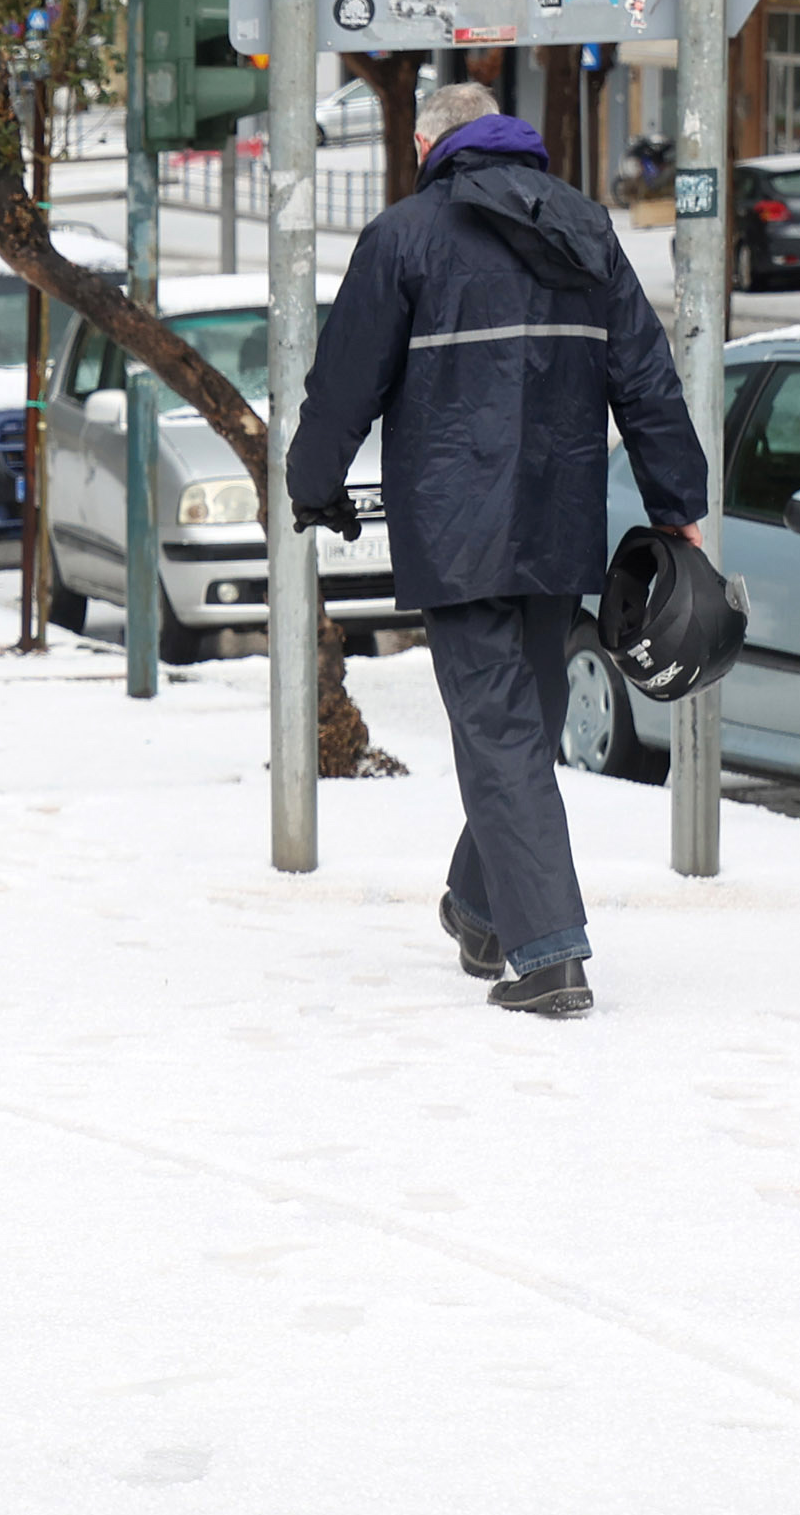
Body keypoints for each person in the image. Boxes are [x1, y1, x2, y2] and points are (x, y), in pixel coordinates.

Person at [287, 79, 708, 1019]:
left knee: (500, 734)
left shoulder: (403, 236)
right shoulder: (585, 229)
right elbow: (644, 376)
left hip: (455, 529)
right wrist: (679, 501)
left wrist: (312, 486)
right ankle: (479, 908)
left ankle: (549, 956)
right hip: (558, 524)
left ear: (431, 142)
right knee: (524, 724)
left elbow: (342, 381)